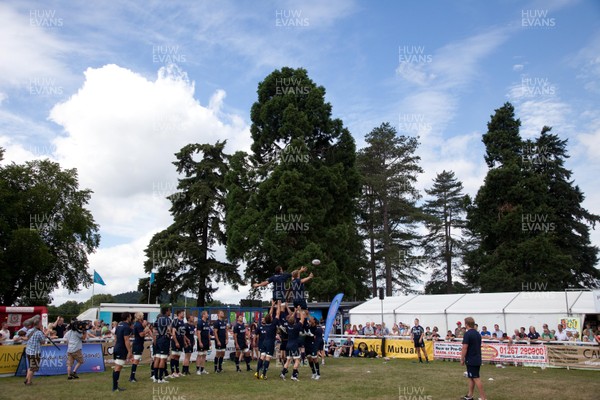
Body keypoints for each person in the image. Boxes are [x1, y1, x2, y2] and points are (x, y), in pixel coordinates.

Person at [461, 317, 487, 400]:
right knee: (471, 377)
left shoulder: (467, 334)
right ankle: (470, 395)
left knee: (476, 378)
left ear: (466, 324)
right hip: (477, 357)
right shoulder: (477, 334)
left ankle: (483, 398)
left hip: (471, 359)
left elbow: (465, 347)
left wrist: (462, 358)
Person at [280, 304, 306, 381]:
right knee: (297, 360)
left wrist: (294, 312)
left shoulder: (287, 326)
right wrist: (300, 310)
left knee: (288, 360)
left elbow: (290, 318)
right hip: (294, 345)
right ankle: (294, 376)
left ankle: (283, 373)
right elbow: (302, 319)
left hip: (288, 345)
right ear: (294, 321)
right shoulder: (296, 327)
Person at [256, 301, 280, 379]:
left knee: (262, 356)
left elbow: (269, 315)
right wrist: (278, 304)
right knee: (268, 358)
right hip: (270, 343)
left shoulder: (265, 324)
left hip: (264, 342)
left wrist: (272, 306)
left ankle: (257, 372)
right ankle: (264, 374)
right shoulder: (273, 325)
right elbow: (278, 314)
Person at [112, 312, 133, 392]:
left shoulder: (119, 325)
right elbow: (126, 340)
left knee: (118, 367)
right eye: (130, 316)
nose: (131, 317)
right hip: (121, 349)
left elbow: (116, 337)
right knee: (118, 367)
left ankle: (115, 386)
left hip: (117, 347)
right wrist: (129, 351)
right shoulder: (126, 326)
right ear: (127, 317)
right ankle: (115, 387)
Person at [152, 306, 172, 383]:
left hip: (158, 340)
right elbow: (168, 330)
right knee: (163, 359)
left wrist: (155, 339)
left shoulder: (158, 319)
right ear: (166, 311)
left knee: (157, 358)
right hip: (164, 340)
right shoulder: (168, 319)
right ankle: (160, 378)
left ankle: (155, 377)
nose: (170, 312)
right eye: (169, 311)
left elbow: (154, 331)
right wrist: (170, 335)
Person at [24, 316, 45, 386]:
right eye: (41, 323)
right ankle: (29, 382)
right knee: (33, 368)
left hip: (28, 351)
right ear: (38, 324)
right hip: (35, 352)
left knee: (30, 366)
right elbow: (43, 342)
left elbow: (27, 338)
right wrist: (43, 331)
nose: (41, 324)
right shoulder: (39, 332)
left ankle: (27, 379)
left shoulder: (29, 330)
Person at [129, 312, 148, 382]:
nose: (143, 317)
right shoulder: (138, 324)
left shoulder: (136, 324)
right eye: (142, 316)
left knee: (136, 360)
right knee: (136, 360)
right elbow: (141, 334)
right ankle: (132, 377)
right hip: (138, 344)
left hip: (137, 343)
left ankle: (132, 376)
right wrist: (146, 330)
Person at [170, 309, 186, 377]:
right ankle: (172, 372)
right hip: (176, 341)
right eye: (182, 313)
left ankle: (177, 371)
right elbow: (173, 333)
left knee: (178, 356)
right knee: (173, 356)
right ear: (179, 314)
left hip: (181, 341)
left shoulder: (182, 321)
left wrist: (185, 341)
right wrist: (176, 342)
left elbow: (183, 333)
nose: (183, 314)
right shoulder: (175, 321)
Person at [195, 311, 211, 375]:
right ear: (203, 315)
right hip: (202, 341)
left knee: (204, 355)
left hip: (206, 341)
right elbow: (198, 333)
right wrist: (200, 342)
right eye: (207, 314)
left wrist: (209, 341)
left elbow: (208, 333)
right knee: (200, 355)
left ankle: (202, 369)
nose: (208, 315)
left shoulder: (207, 323)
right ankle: (198, 369)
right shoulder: (200, 323)